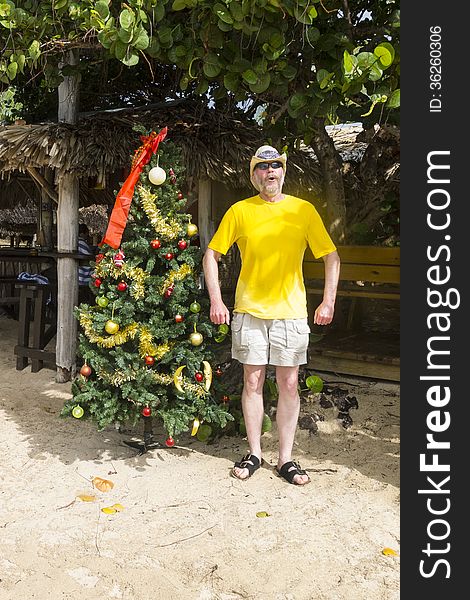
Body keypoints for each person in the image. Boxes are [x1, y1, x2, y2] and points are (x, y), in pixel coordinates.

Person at [202, 145, 340, 486]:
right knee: (252, 382)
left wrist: (329, 302)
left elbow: (331, 256)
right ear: (254, 176)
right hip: (249, 311)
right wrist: (216, 300)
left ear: (283, 172)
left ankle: (286, 459)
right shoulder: (239, 211)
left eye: (275, 166)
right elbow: (211, 255)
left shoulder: (303, 210)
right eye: (262, 168)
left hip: (291, 313)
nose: (270, 173)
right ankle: (254, 454)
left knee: (289, 383)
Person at [78, 223, 95, 304]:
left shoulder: (75, 242)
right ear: (83, 233)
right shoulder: (81, 243)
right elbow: (90, 257)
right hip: (82, 278)